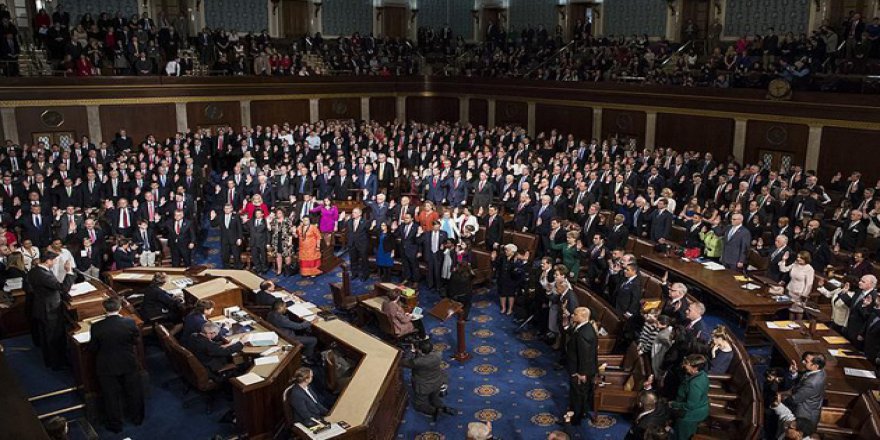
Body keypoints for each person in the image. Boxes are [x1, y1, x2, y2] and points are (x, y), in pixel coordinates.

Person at [89, 298, 144, 433]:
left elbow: (93, 348)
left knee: (111, 396)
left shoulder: (96, 327)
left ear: (104, 309)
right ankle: (137, 419)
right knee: (134, 392)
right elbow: (136, 341)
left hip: (107, 366)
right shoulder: (130, 323)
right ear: (119, 308)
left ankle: (116, 425)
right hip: (128, 362)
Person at [26, 251, 76, 369]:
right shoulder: (43, 274)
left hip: (41, 307)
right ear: (48, 261)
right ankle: (57, 363)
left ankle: (50, 360)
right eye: (53, 260)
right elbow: (63, 288)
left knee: (46, 337)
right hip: (50, 310)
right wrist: (69, 271)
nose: (54, 263)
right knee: (54, 337)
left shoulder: (34, 271)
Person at [401, 339, 454, 420]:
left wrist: (411, 351)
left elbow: (403, 362)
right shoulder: (438, 354)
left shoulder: (417, 362)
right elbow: (426, 357)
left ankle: (435, 411)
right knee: (434, 398)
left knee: (419, 405)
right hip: (437, 382)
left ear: (421, 351)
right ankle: (443, 407)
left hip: (423, 386)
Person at [565, 307, 598, 426]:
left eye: (575, 314)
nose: (573, 315)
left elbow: (585, 356)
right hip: (581, 369)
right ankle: (581, 413)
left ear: (583, 317)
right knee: (581, 394)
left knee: (577, 395)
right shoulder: (584, 327)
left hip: (580, 371)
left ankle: (574, 420)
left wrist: (582, 373)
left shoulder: (584, 333)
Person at [669, 354, 709, 440]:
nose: (684, 365)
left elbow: (691, 405)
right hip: (699, 407)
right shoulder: (703, 374)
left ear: (694, 368)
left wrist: (674, 404)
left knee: (682, 436)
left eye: (686, 364)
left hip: (691, 415)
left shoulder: (695, 384)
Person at [782, 352, 826, 429]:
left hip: (804, 416)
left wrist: (780, 401)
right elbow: (803, 378)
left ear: (815, 366)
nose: (802, 362)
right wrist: (794, 373)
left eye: (806, 361)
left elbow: (795, 399)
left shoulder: (812, 382)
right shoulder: (819, 371)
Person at [779, 251, 815, 321]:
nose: (798, 259)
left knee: (798, 311)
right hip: (790, 290)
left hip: (800, 293)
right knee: (790, 310)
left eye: (800, 258)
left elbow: (809, 284)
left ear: (806, 259)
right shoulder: (795, 264)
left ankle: (798, 328)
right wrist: (784, 260)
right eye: (798, 257)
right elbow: (783, 269)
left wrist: (804, 295)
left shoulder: (809, 269)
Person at [339, 208, 372, 281]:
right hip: (352, 243)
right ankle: (354, 274)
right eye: (353, 212)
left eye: (355, 212)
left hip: (362, 244)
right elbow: (341, 227)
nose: (353, 213)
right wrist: (341, 219)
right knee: (353, 260)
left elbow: (370, 233)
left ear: (360, 214)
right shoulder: (349, 221)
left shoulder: (366, 222)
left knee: (364, 260)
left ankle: (365, 275)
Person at [210, 204, 243, 269]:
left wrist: (240, 238)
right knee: (225, 256)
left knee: (236, 256)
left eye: (228, 208)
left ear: (231, 209)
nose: (226, 210)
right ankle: (226, 269)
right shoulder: (221, 216)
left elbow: (240, 228)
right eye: (225, 208)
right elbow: (213, 225)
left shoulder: (236, 216)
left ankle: (238, 269)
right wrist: (212, 218)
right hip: (224, 240)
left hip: (234, 240)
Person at [493, 243, 521, 315]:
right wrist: (493, 259)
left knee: (510, 295)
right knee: (502, 294)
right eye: (505, 250)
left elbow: (518, 272)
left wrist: (515, 265)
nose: (506, 251)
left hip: (511, 280)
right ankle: (503, 308)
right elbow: (497, 266)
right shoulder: (502, 257)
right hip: (502, 278)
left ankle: (510, 309)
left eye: (507, 250)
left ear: (512, 252)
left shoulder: (516, 259)